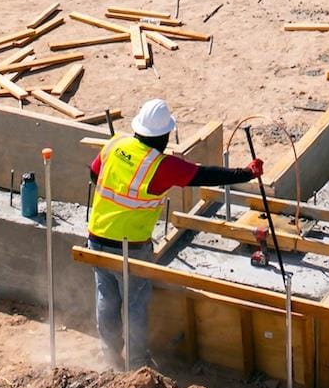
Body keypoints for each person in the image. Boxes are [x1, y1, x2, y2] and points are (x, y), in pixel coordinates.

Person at [88, 99, 262, 368]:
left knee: (106, 298)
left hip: (96, 238)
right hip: (130, 247)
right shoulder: (161, 165)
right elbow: (204, 175)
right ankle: (136, 363)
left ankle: (110, 357)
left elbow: (93, 175)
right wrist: (246, 173)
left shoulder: (115, 144)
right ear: (165, 135)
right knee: (134, 303)